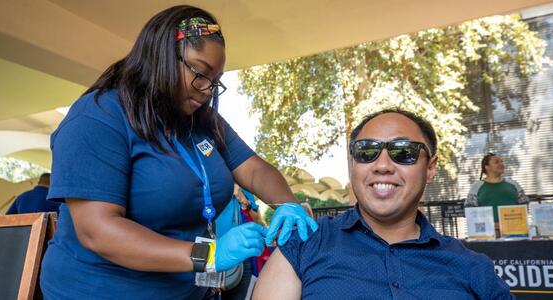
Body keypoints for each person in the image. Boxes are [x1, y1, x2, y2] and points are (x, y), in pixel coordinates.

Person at [39, 6, 317, 299]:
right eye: (200, 73)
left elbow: (253, 168)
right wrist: (207, 254)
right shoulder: (98, 116)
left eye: (215, 80)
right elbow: (98, 232)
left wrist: (287, 204)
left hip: (184, 291)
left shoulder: (202, 120)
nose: (207, 90)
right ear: (161, 57)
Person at [252, 109, 513, 299]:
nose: (383, 165)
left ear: (431, 169)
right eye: (367, 151)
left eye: (403, 152)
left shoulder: (472, 268)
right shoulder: (306, 244)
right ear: (354, 164)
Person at [466, 153, 528, 230]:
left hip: (514, 230)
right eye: (496, 162)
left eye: (501, 161)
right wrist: (490, 224)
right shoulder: (476, 186)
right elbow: (470, 209)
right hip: (487, 232)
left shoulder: (513, 184)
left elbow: (524, 204)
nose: (501, 164)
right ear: (487, 167)